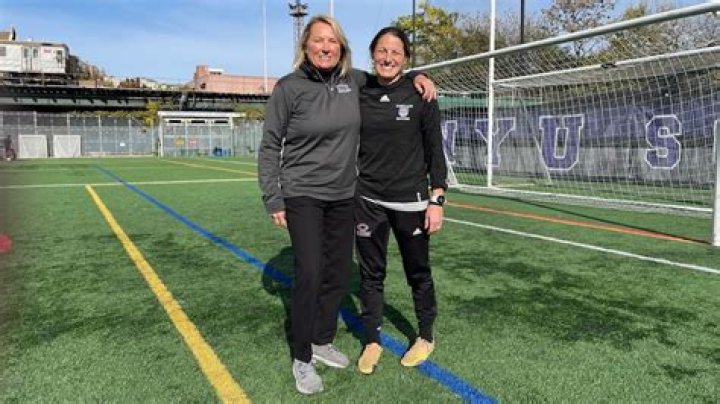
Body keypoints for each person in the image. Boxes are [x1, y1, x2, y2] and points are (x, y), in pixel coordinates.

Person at [258, 15, 435, 395]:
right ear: (305, 45)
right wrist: (273, 196)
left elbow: (390, 72)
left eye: (332, 41)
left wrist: (419, 75)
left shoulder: (353, 80)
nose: (325, 47)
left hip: (344, 196)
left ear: (341, 48)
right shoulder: (289, 87)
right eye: (319, 40)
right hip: (303, 193)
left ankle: (322, 340)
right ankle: (302, 357)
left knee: (338, 273)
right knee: (309, 273)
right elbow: (270, 144)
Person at [354, 27, 447, 375]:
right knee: (370, 274)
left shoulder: (421, 93)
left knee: (417, 272)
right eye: (382, 50)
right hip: (368, 199)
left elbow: (435, 150)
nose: (388, 57)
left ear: (405, 58)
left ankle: (425, 336)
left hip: (412, 201)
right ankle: (372, 340)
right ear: (372, 54)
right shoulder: (360, 90)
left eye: (395, 52)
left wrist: (437, 199)